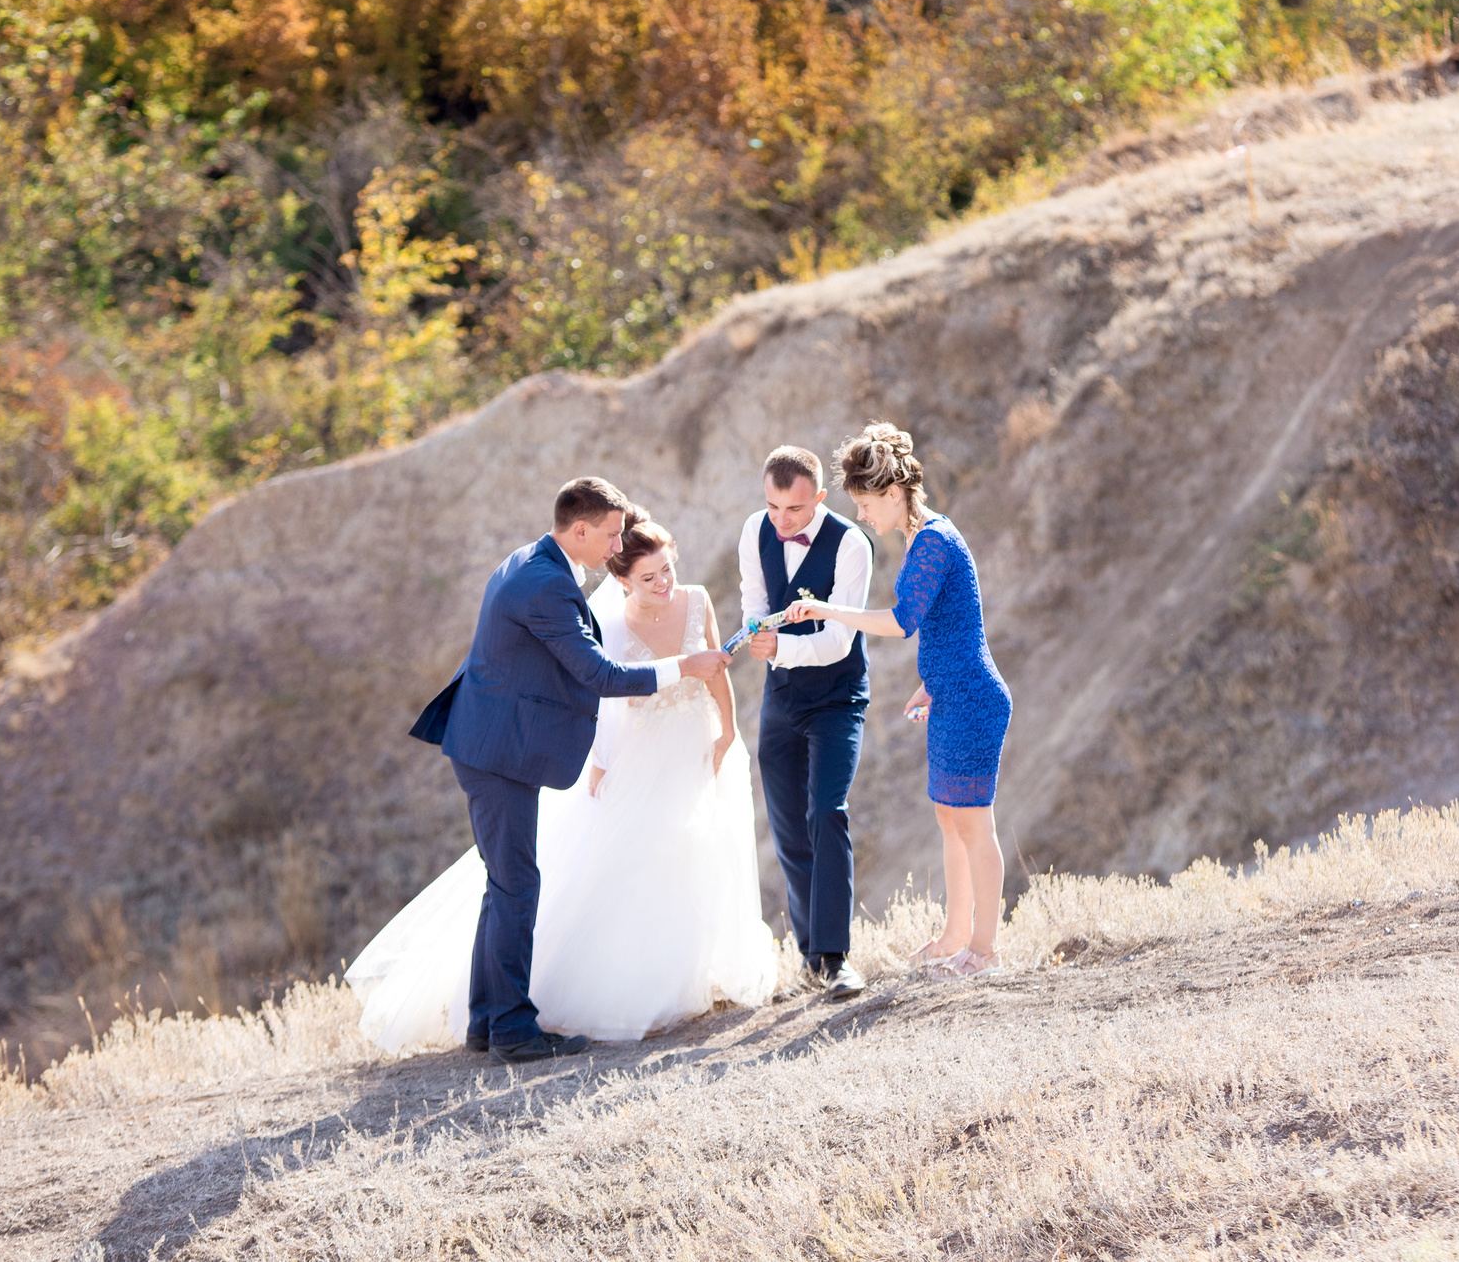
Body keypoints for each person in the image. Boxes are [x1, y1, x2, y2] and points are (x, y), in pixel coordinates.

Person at [349, 510, 777, 1050]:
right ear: (582, 530)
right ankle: (508, 1028)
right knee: (517, 884)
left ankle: (488, 1021)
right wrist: (681, 669)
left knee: (508, 884)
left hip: (500, 740)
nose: (614, 546)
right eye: (610, 537)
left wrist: (720, 721)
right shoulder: (547, 584)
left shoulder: (535, 566)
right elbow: (600, 678)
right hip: (498, 750)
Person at [781, 424, 1012, 977]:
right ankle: (956, 934)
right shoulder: (921, 537)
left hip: (975, 699)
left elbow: (902, 621)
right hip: (952, 693)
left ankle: (985, 951)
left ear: (891, 493)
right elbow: (954, 624)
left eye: (864, 503)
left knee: (975, 824)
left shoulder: (932, 541)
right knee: (949, 817)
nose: (862, 515)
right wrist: (931, 682)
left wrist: (829, 611)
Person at [737, 446, 875, 1000]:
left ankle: (838, 959)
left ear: (819, 497)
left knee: (827, 813)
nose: (780, 520)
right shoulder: (755, 529)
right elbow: (754, 600)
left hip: (838, 699)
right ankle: (812, 959)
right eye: (772, 506)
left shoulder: (851, 544)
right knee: (790, 828)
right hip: (780, 699)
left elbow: (842, 638)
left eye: (793, 510)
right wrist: (755, 631)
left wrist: (778, 651)